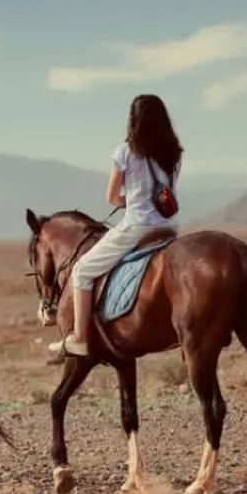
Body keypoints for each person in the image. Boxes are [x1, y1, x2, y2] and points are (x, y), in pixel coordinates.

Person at [51, 93, 183, 359]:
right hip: (168, 228)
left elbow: (112, 197)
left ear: (132, 120)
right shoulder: (174, 154)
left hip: (137, 227)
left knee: (82, 270)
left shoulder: (125, 152)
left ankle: (79, 338)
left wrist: (129, 199)